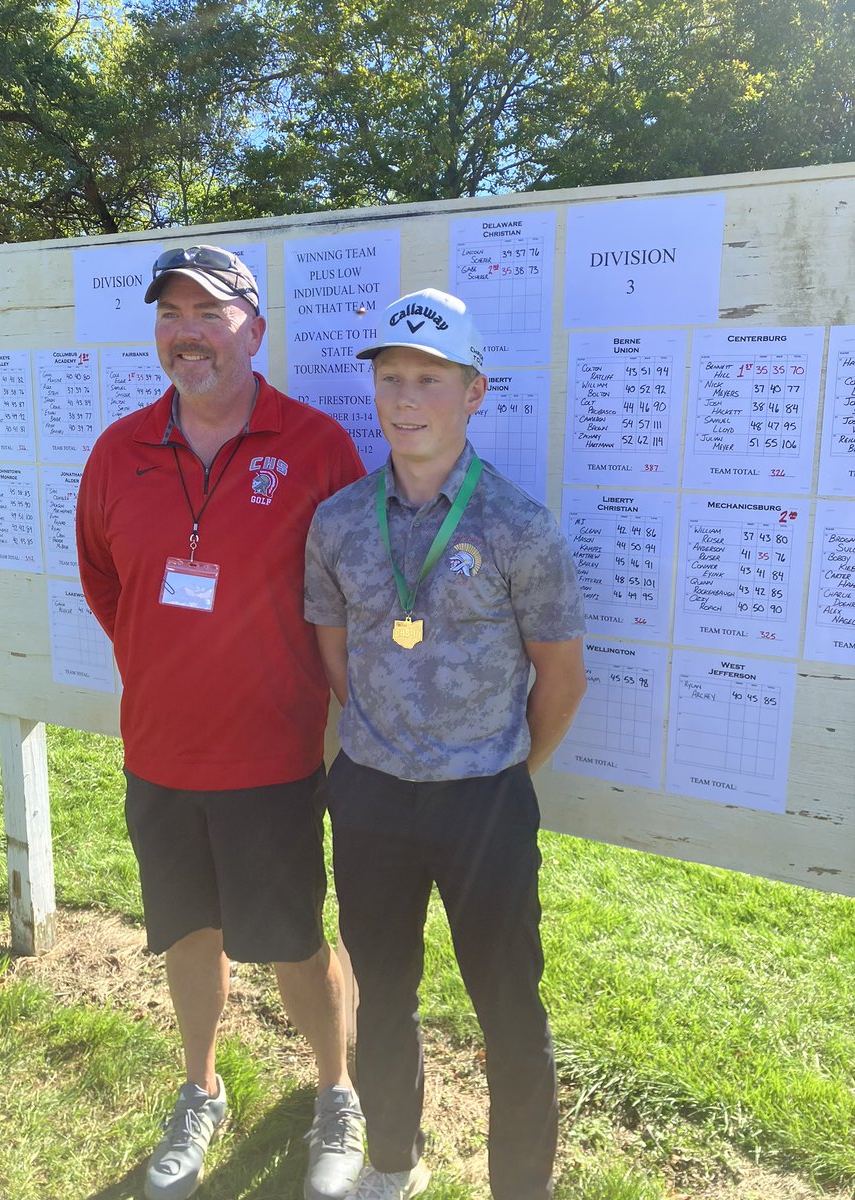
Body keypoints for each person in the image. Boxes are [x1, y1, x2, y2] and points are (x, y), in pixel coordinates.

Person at [76, 245, 367, 1200]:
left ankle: (337, 1091)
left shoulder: (316, 446)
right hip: (159, 752)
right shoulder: (119, 451)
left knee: (293, 942)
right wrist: (168, 664)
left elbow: (353, 588)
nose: (187, 333)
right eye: (170, 314)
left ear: (255, 329)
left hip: (272, 756)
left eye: (209, 312)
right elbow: (105, 581)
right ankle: (200, 1088)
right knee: (187, 933)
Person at [304, 288, 587, 1200]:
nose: (406, 397)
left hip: (484, 805)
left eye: (431, 378)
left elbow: (562, 678)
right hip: (372, 795)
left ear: (474, 392)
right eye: (391, 377)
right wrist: (394, 745)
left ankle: (521, 1188)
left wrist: (499, 770)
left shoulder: (518, 526)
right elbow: (336, 656)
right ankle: (391, 1160)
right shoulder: (339, 521)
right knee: (383, 992)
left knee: (509, 1009)